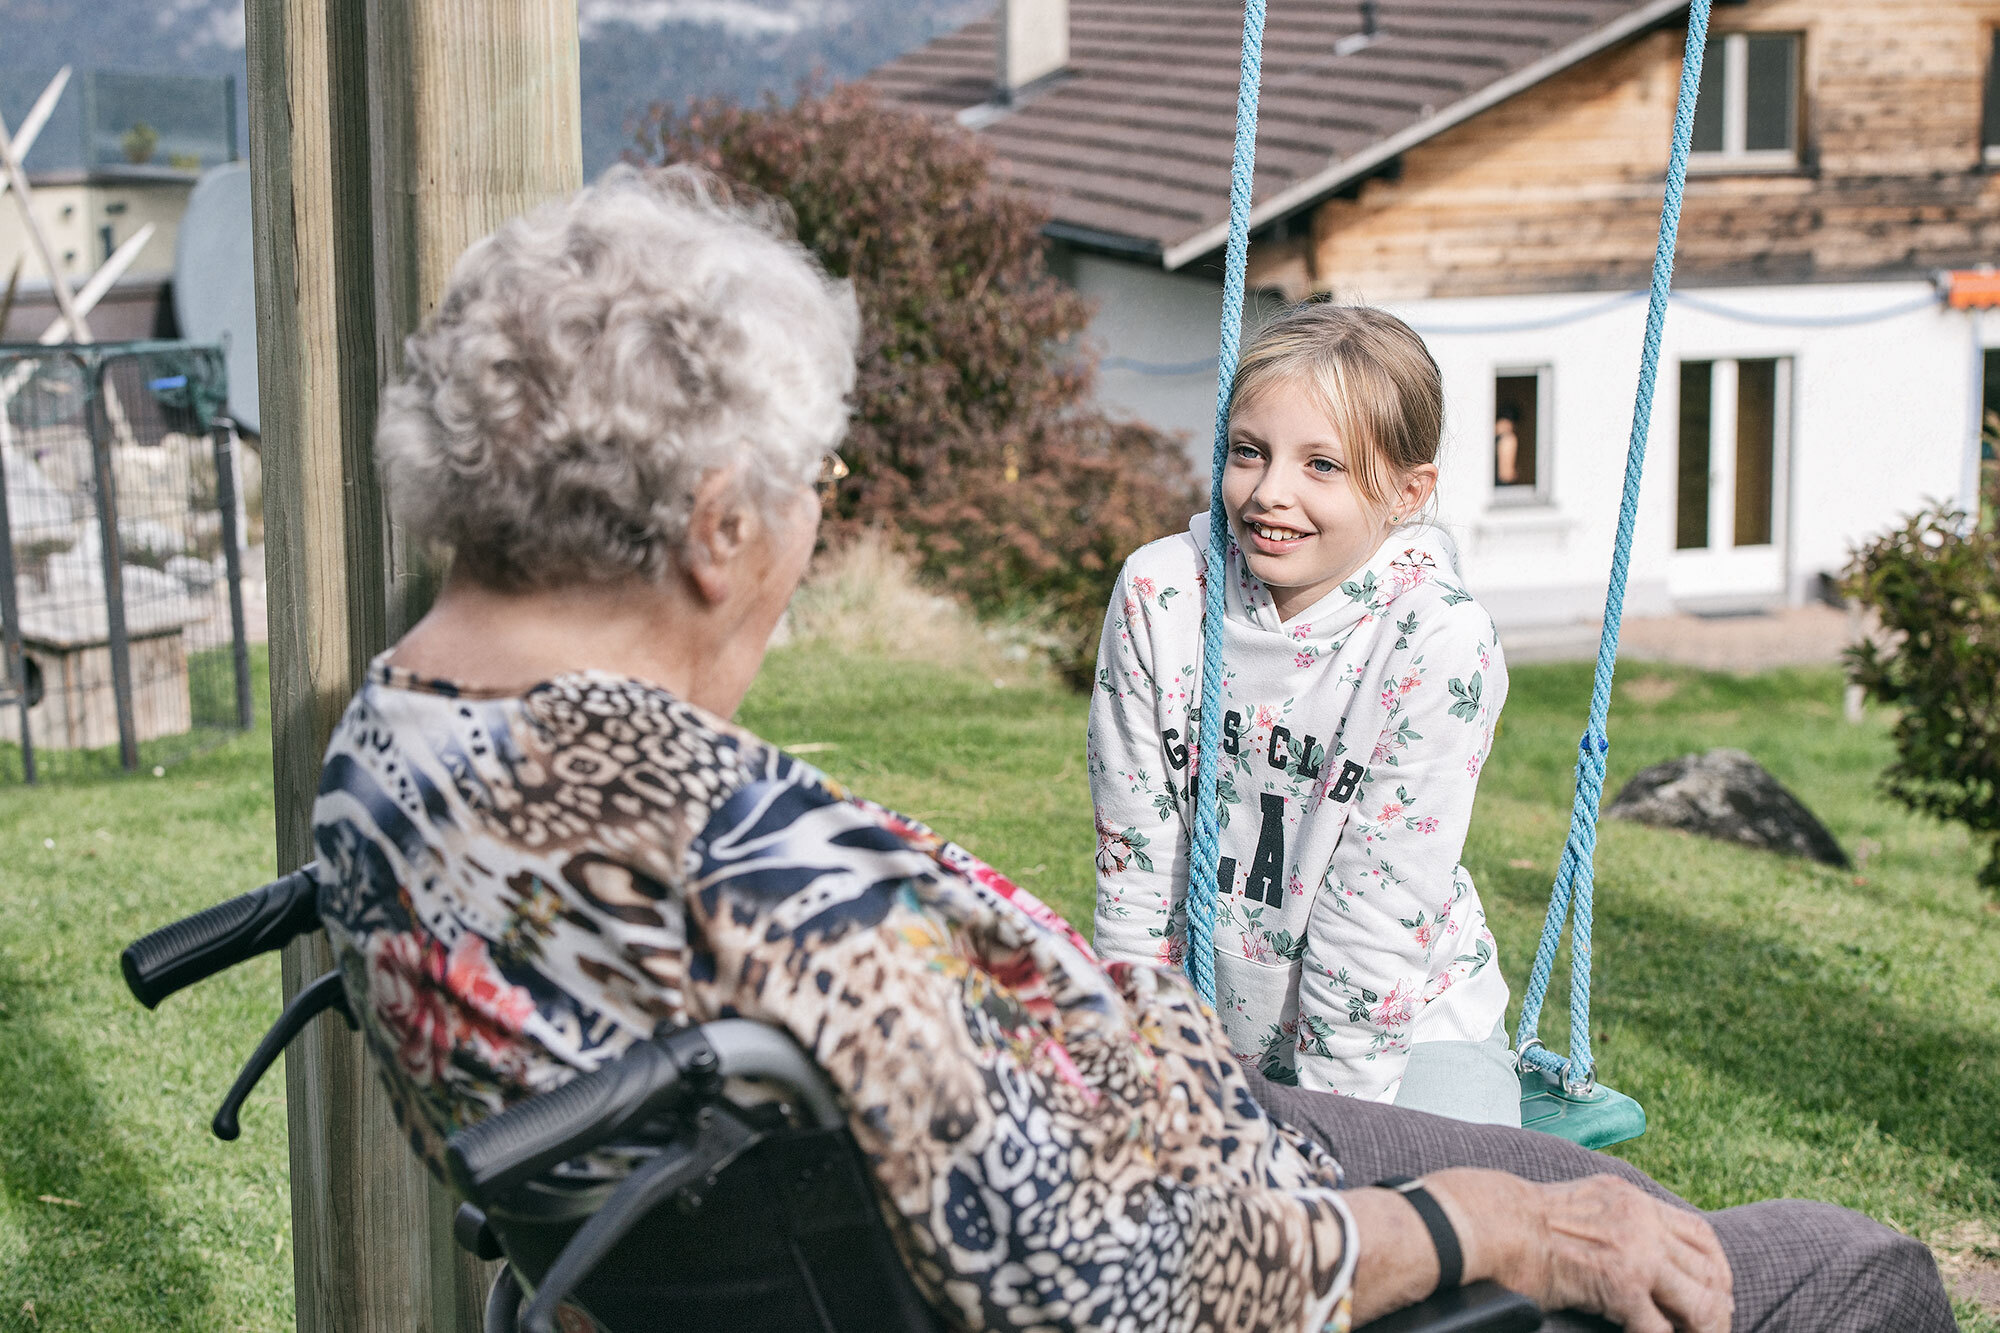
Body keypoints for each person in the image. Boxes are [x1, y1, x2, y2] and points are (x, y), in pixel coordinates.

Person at [312, 166, 1954, 1333]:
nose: (817, 535)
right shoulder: (757, 872)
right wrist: (1505, 1224)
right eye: (815, 486)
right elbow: (1143, 1277)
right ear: (719, 527)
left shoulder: (391, 743)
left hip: (1163, 1116)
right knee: (1837, 1271)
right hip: (1215, 1209)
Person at [1090, 303, 1519, 1125]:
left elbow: (1376, 919)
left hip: (1407, 1031)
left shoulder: (1433, 638)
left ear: (1406, 491)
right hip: (1213, 1025)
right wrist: (1140, 1055)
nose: (1270, 492)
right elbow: (1136, 864)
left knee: (1438, 1206)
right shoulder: (1164, 597)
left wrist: (1329, 1143)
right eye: (1249, 452)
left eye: (1322, 465)